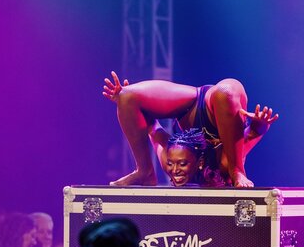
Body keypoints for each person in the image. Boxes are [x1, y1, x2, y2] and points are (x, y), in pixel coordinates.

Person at [103, 71, 278, 187]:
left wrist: (126, 103)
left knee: (126, 97)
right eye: (173, 164)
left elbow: (152, 127)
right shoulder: (223, 162)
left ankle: (238, 171)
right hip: (219, 111)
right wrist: (260, 122)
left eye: (180, 164)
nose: (174, 170)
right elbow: (254, 133)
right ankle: (144, 171)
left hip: (189, 111)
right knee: (224, 93)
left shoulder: (167, 159)